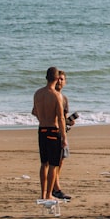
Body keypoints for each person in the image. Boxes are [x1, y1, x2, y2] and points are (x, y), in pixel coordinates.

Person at [32, 66, 67, 201]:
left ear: (46, 77)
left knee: (43, 163)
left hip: (42, 130)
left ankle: (42, 194)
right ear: (57, 78)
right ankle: (48, 194)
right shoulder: (56, 95)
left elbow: (34, 111)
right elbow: (61, 118)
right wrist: (63, 137)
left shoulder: (37, 93)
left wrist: (43, 118)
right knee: (53, 164)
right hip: (53, 130)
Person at [52, 70, 72, 201]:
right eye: (58, 79)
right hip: (54, 132)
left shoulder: (64, 98)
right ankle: (56, 188)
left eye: (62, 79)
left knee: (60, 161)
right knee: (53, 162)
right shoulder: (51, 96)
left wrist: (69, 122)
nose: (60, 81)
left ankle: (54, 184)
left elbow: (64, 118)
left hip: (62, 131)